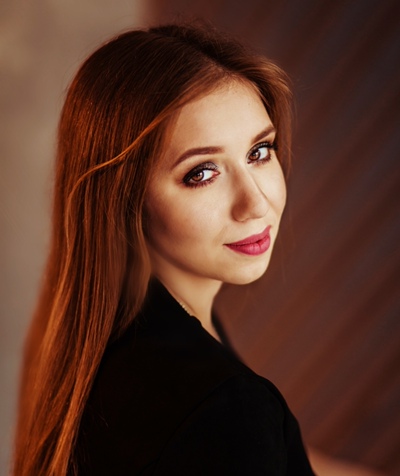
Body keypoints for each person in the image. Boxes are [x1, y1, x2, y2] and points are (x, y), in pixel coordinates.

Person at [13, 23, 315, 475]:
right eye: (202, 173)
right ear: (125, 199)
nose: (256, 203)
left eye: (259, 152)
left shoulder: (88, 335)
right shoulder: (226, 408)